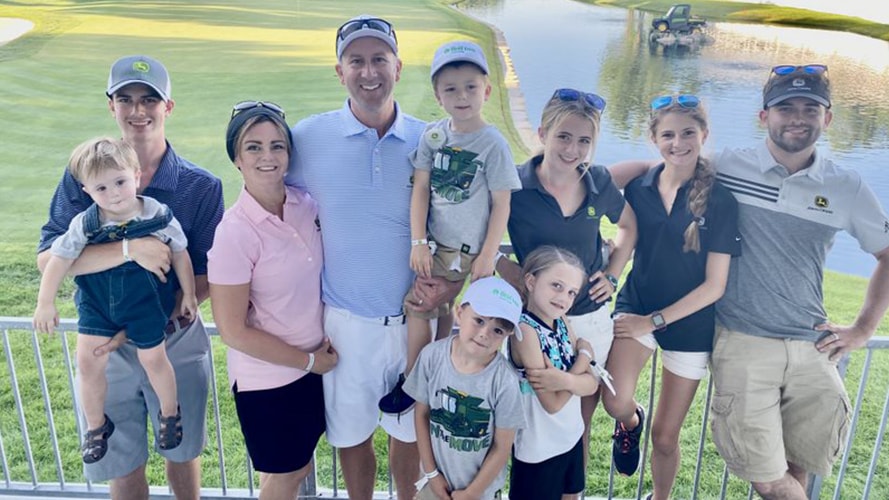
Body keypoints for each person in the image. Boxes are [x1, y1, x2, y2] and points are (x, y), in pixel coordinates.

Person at [610, 65, 889, 500]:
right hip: (743, 340)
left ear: (827, 118)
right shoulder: (729, 166)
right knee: (767, 478)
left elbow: (886, 254)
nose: (797, 117)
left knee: (797, 468)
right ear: (764, 117)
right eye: (785, 108)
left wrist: (863, 329)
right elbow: (662, 164)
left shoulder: (846, 186)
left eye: (810, 108)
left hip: (811, 344)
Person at [285, 15, 460, 500]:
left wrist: (452, 286)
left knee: (410, 434)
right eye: (356, 61)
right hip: (345, 324)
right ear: (338, 71)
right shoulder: (308, 139)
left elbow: (466, 227)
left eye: (379, 59)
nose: (369, 72)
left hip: (417, 325)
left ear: (398, 67)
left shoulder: (434, 141)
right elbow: (269, 200)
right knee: (351, 436)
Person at [37, 55, 224, 499]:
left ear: (168, 107)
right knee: (121, 458)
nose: (137, 110)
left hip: (171, 336)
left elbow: (205, 273)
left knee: (180, 452)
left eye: (149, 100)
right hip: (104, 344)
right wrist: (128, 250)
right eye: (126, 99)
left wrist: (142, 326)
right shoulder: (81, 175)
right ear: (111, 106)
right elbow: (50, 258)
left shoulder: (201, 185)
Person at [599, 95, 740, 497]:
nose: (678, 143)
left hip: (690, 325)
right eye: (668, 135)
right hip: (637, 302)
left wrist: (655, 321)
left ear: (704, 135)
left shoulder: (721, 200)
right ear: (653, 138)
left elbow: (715, 286)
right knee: (615, 400)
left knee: (664, 437)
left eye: (688, 133)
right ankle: (630, 423)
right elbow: (587, 181)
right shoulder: (640, 186)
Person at [495, 88, 637, 471]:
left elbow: (627, 225)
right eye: (563, 136)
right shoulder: (514, 185)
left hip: (589, 317)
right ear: (543, 133)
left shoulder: (600, 182)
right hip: (536, 324)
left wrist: (612, 272)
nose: (572, 149)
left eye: (584, 141)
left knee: (578, 422)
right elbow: (483, 237)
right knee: (536, 417)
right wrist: (505, 268)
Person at [379, 40, 522, 416]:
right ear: (438, 95)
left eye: (471, 87)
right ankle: (434, 372)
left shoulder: (492, 144)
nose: (462, 96)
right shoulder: (433, 135)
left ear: (487, 91)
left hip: (465, 251)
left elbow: (502, 202)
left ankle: (413, 380)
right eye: (451, 89)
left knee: (420, 304)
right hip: (435, 245)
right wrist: (418, 241)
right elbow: (422, 188)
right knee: (439, 311)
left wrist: (488, 254)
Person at [34, 137, 195, 464]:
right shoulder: (85, 223)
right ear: (86, 191)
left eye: (120, 182)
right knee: (88, 361)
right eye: (101, 188)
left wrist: (189, 294)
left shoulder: (157, 214)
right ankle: (96, 426)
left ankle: (169, 412)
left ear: (136, 176)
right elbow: (58, 260)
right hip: (97, 307)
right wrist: (45, 303)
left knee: (154, 359)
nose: (114, 193)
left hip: (144, 305)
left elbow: (181, 253)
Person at [209, 102, 338, 499]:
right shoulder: (234, 232)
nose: (267, 156)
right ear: (236, 157)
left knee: (297, 468)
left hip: (312, 368)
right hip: (269, 380)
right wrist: (311, 362)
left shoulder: (307, 205)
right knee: (282, 477)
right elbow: (233, 331)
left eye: (277, 145)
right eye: (253, 147)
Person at [403, 276, 525, 500]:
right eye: (479, 320)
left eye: (498, 330)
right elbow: (421, 415)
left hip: (480, 492)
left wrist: (472, 492)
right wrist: (431, 473)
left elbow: (502, 446)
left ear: (507, 336)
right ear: (460, 312)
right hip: (433, 485)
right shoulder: (432, 357)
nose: (484, 333)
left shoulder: (505, 380)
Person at [508, 246, 600, 500]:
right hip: (538, 449)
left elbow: (592, 385)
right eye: (556, 286)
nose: (563, 298)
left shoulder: (562, 322)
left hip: (570, 437)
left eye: (571, 292)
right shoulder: (525, 331)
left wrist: (566, 379)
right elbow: (552, 402)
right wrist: (584, 358)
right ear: (530, 281)